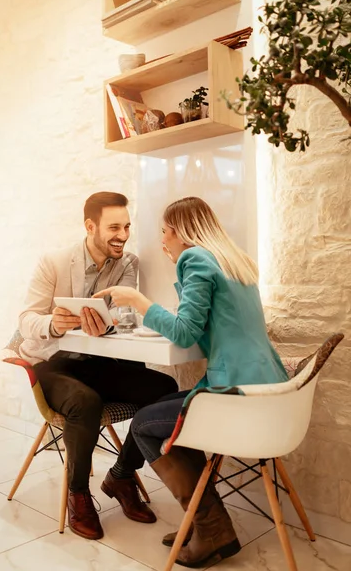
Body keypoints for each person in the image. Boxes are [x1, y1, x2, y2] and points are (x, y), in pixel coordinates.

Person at [94, 196, 289, 568]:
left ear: (183, 231)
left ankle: (211, 527)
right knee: (169, 413)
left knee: (144, 424)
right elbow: (203, 326)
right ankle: (206, 524)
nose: (162, 241)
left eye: (165, 232)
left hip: (237, 395)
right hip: (269, 392)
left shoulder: (195, 258)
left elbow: (184, 335)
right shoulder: (233, 261)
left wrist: (137, 300)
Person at [18, 191, 178, 541]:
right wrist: (53, 324)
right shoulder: (54, 261)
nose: (122, 235)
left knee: (165, 390)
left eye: (127, 226)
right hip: (53, 365)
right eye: (114, 227)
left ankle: (121, 475)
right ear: (90, 226)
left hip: (99, 363)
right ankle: (79, 494)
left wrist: (108, 323)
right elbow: (26, 319)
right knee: (85, 402)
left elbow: (123, 318)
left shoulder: (128, 264)